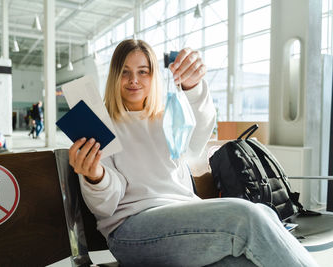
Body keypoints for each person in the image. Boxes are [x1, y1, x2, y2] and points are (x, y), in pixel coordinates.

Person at [68, 39, 318, 267]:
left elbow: (198, 136)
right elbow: (106, 206)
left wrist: (194, 86)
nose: (134, 80)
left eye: (142, 71)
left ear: (153, 75)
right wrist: (96, 176)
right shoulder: (100, 124)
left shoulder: (166, 117)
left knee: (245, 256)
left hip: (183, 221)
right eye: (125, 72)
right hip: (131, 231)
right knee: (247, 215)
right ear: (114, 76)